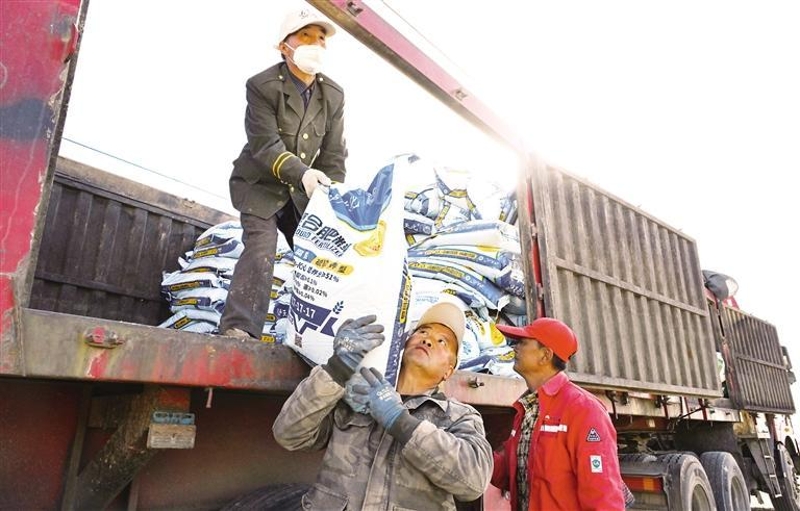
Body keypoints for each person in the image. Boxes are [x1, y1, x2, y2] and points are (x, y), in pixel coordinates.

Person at [272, 302, 493, 510]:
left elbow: (473, 482)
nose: (427, 340)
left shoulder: (458, 416)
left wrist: (399, 419)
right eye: (422, 332)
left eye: (442, 341)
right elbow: (288, 434)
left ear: (449, 371)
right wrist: (338, 367)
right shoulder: (357, 397)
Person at [219, 7, 347, 339]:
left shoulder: (332, 95)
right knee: (262, 248)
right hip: (258, 186)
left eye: (320, 38)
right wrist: (302, 173)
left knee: (320, 258)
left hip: (301, 192)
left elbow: (333, 153)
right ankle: (239, 329)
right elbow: (265, 145)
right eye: (305, 36)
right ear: (283, 46)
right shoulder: (262, 86)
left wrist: (332, 197)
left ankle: (320, 336)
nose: (315, 44)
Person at [491, 318, 631, 510]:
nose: (515, 348)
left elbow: (603, 495)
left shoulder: (584, 410)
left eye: (523, 343)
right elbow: (513, 476)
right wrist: (471, 452)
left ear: (545, 355)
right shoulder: (527, 408)